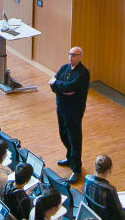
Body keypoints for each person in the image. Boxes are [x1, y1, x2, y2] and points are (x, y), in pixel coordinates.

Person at [49, 46, 90, 183]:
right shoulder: (64, 68)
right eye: (70, 54)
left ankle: (76, 169)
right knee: (63, 134)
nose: (71, 57)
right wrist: (62, 89)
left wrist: (59, 85)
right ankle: (69, 157)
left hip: (74, 111)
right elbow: (52, 84)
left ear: (80, 57)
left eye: (74, 55)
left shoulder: (83, 73)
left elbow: (71, 87)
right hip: (61, 107)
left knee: (75, 139)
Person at [83, 155, 125, 220]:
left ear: (95, 167)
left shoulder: (87, 179)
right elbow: (121, 216)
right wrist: (121, 208)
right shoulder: (109, 190)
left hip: (96, 215)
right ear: (108, 171)